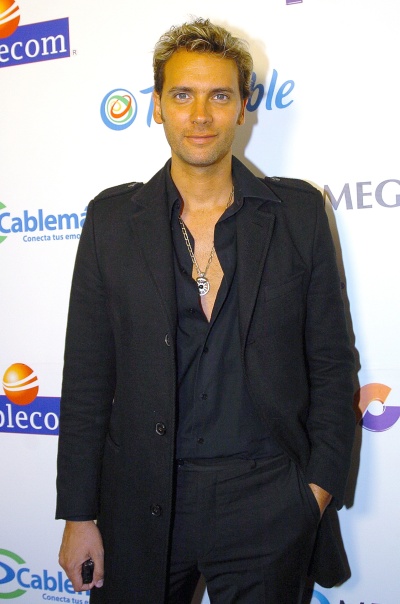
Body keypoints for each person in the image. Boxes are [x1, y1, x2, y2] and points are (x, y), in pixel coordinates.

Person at [56, 17, 355, 604]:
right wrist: (79, 514)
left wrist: (314, 492)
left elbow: (331, 364)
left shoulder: (298, 214)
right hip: (139, 498)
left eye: (219, 96)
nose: (200, 115)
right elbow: (87, 379)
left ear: (243, 106)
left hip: (269, 500)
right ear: (157, 106)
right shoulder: (111, 222)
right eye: (182, 95)